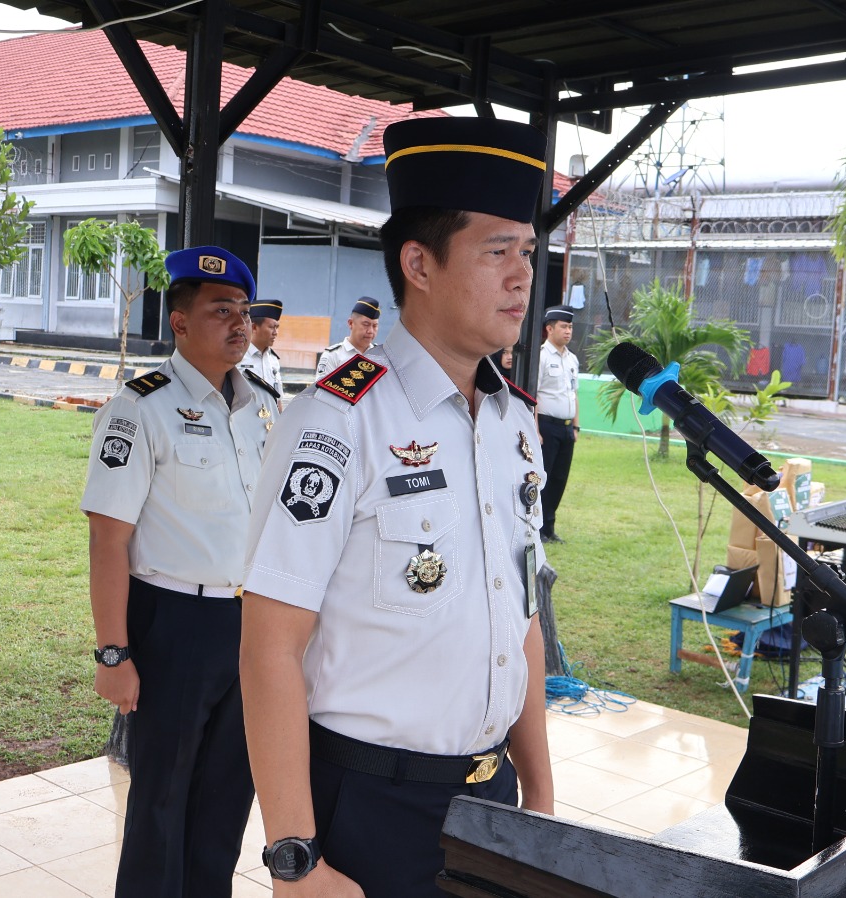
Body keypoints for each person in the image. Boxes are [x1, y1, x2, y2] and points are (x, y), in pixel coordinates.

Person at [239, 116, 555, 898]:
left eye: (527, 252)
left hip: (491, 798)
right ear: (419, 263)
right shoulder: (338, 419)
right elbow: (269, 645)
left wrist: (541, 801)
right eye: (497, 252)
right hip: (370, 807)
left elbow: (520, 617)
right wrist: (293, 857)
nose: (522, 277)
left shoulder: (514, 423)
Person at [81, 245, 279, 898]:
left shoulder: (262, 405)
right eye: (221, 310)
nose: (239, 323)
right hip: (173, 624)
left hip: (248, 623)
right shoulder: (140, 407)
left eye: (243, 311)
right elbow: (108, 538)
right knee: (160, 801)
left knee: (226, 797)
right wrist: (113, 653)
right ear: (180, 322)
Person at [535, 305, 580, 544]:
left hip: (566, 428)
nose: (568, 331)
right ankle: (538, 528)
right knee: (544, 477)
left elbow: (574, 394)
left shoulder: (572, 359)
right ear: (549, 329)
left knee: (560, 478)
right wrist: (535, 430)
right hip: (546, 427)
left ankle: (550, 527)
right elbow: (532, 395)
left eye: (570, 327)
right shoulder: (541, 356)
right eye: (563, 326)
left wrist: (576, 426)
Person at [314, 297, 381, 378]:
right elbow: (322, 386)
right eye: (366, 324)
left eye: (375, 326)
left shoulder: (381, 356)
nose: (370, 331)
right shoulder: (333, 356)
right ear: (351, 323)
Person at [241, 297, 286, 407]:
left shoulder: (273, 359)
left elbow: (278, 400)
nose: (275, 332)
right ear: (254, 327)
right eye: (272, 327)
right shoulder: (238, 356)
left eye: (277, 327)